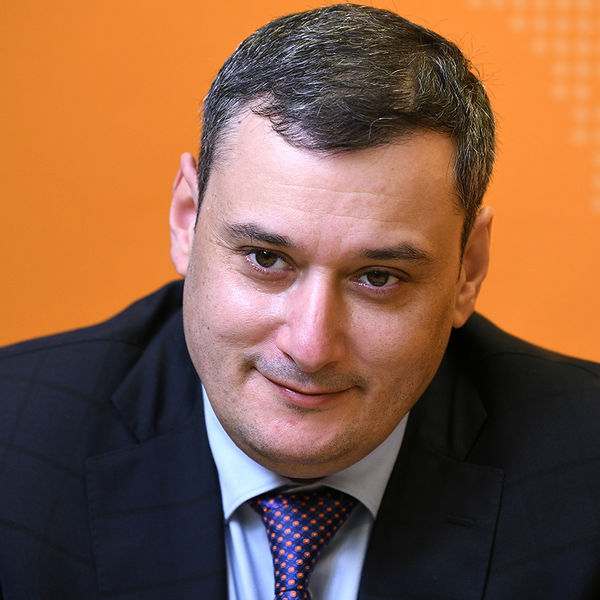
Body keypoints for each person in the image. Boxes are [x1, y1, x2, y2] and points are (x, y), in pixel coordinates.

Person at [0, 3, 598, 599]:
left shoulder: (585, 469)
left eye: (379, 277)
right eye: (266, 259)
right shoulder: (15, 449)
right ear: (187, 220)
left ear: (468, 270)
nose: (310, 347)